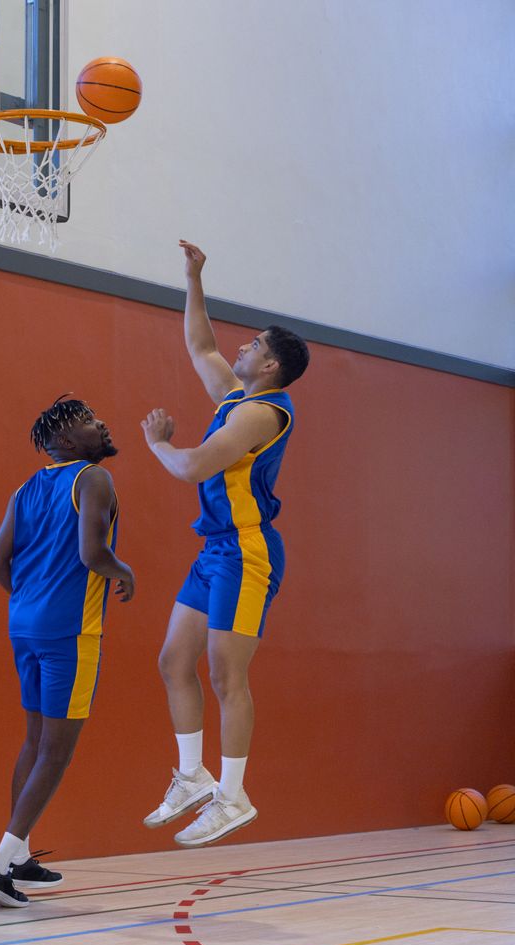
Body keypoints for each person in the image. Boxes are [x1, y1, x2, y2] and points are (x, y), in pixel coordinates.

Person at [140, 240, 309, 847]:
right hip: (215, 551)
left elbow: (192, 468)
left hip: (248, 552)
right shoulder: (239, 395)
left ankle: (233, 796)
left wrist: (158, 442)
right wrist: (193, 277)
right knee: (172, 662)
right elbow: (201, 344)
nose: (242, 345)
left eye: (255, 345)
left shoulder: (263, 415)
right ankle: (191, 776)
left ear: (270, 367)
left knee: (225, 675)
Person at [0, 396, 134, 907]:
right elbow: (93, 553)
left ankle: (17, 856)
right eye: (89, 421)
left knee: (35, 740)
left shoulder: (25, 488)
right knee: (57, 751)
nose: (102, 423)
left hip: (23, 626)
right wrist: (123, 570)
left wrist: (29, 601)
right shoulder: (93, 478)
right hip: (70, 632)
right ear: (66, 442)